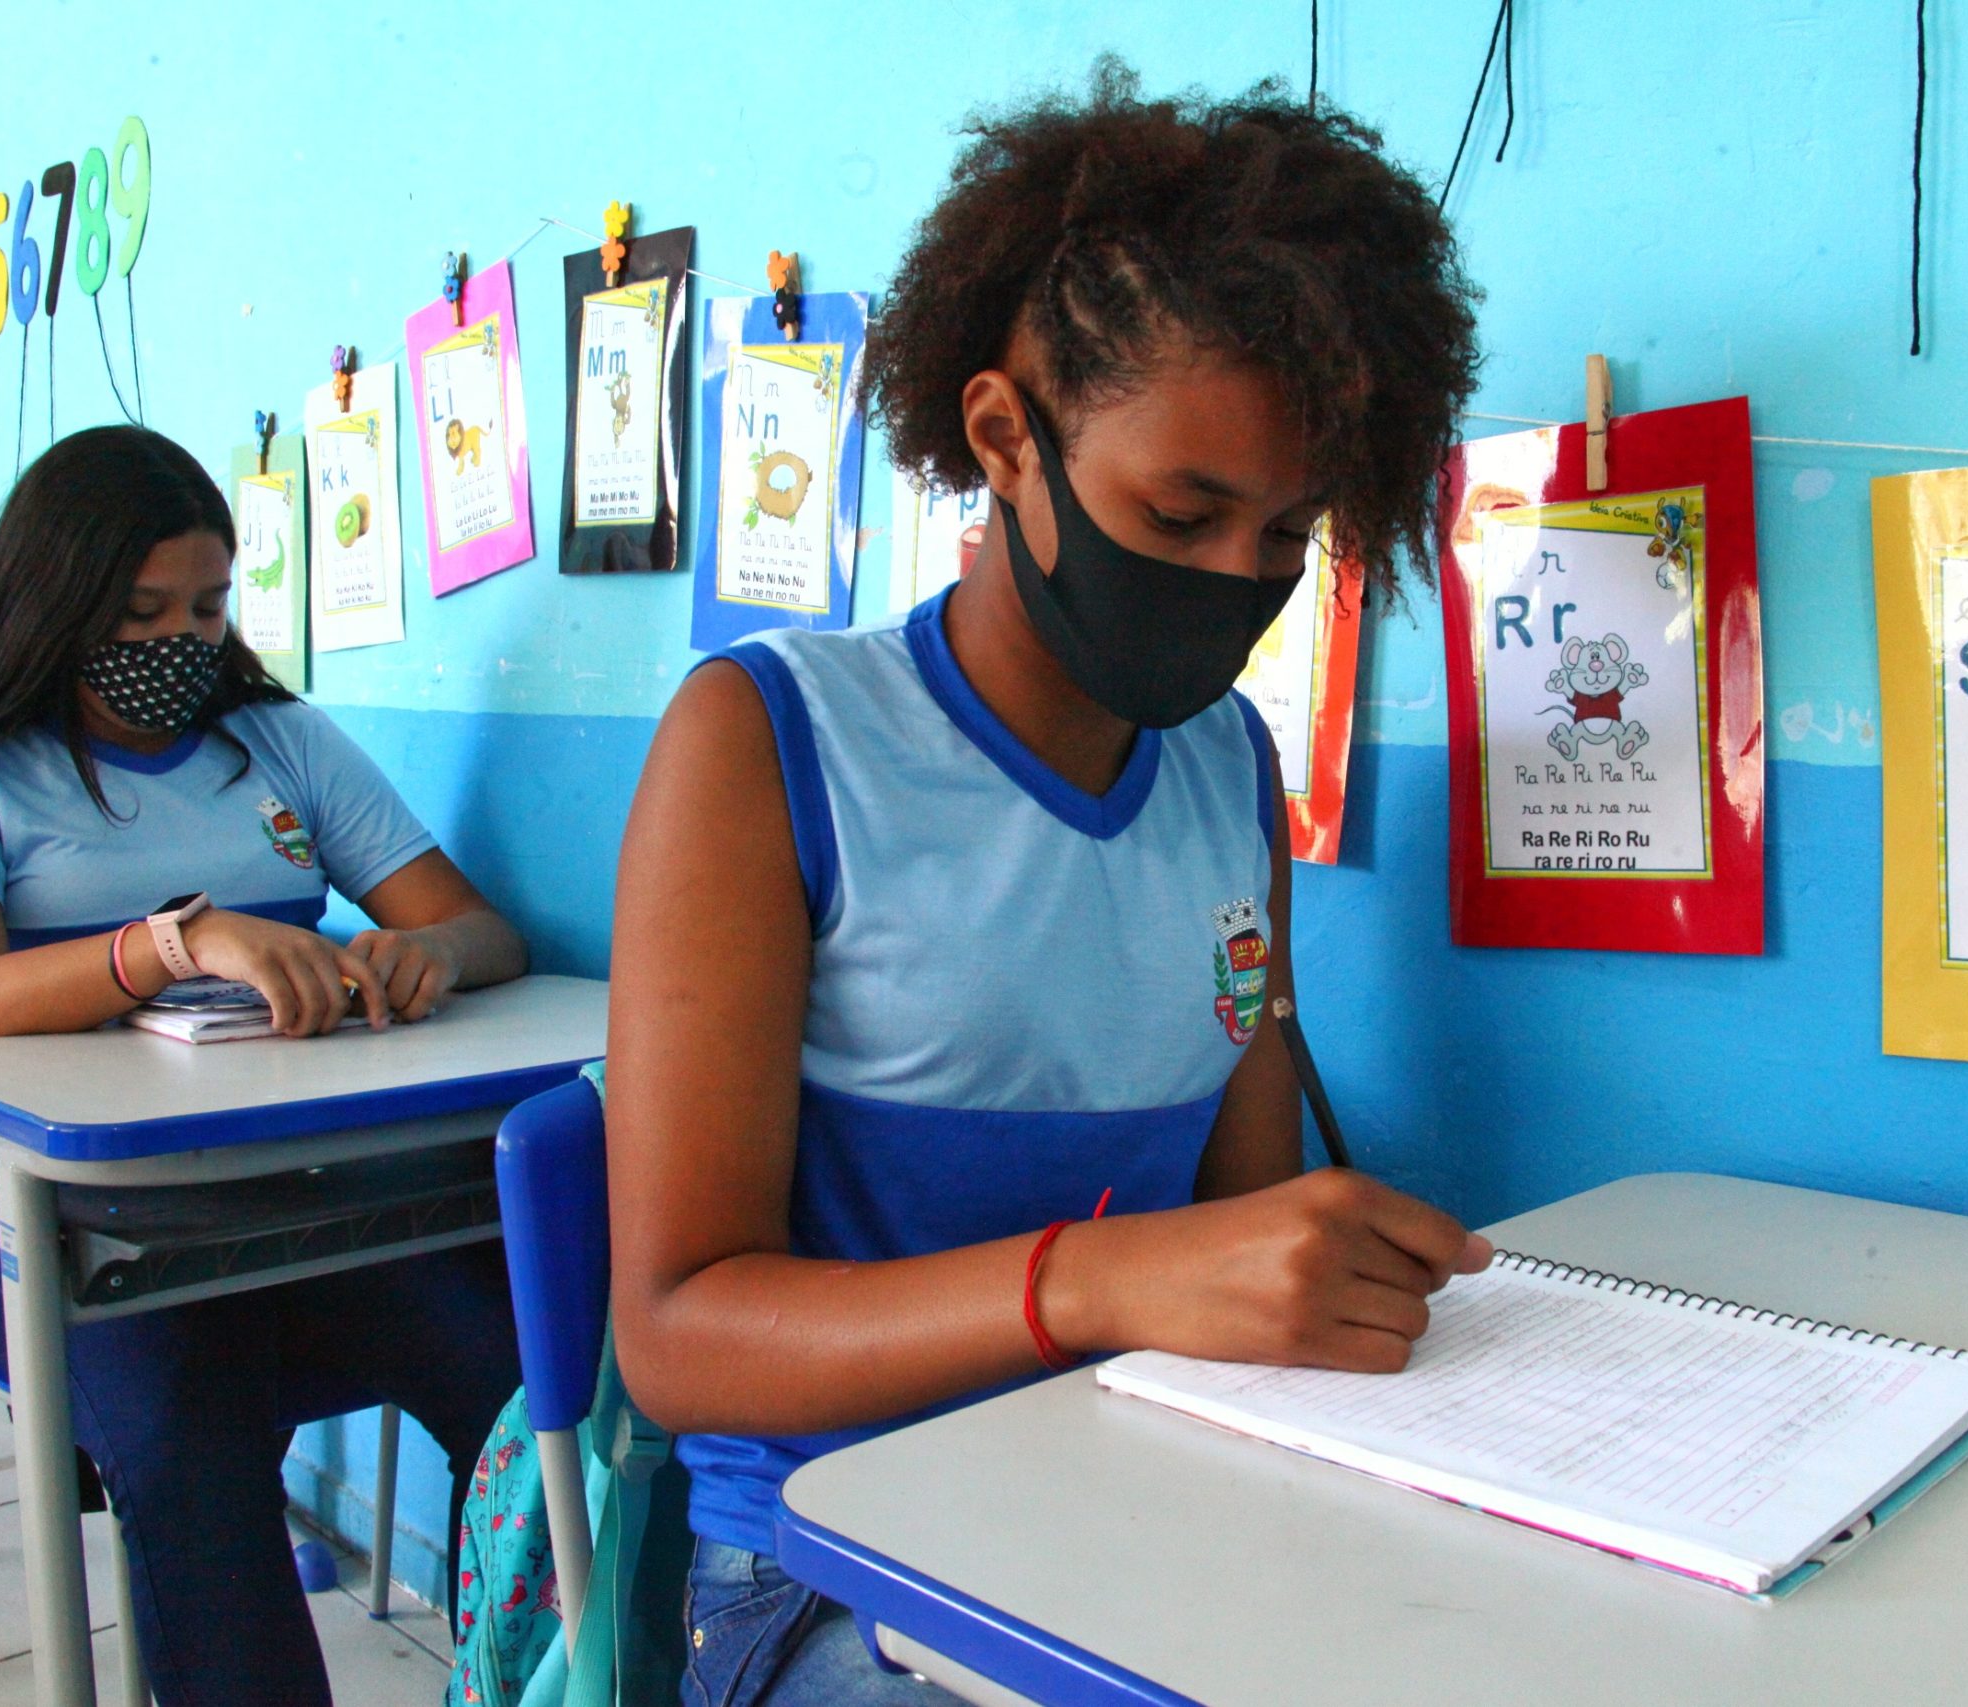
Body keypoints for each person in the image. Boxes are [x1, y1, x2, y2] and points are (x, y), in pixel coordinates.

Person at [608, 64, 1487, 1707]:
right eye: (1184, 508)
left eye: (1290, 534)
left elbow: (1235, 1223)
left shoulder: (1226, 763)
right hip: (828, 1567)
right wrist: (1092, 1280)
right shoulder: (770, 742)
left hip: (1141, 1505)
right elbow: (677, 1336)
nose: (1241, 582)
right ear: (1006, 436)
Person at [0, 425, 529, 1706]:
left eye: (211, 607)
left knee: (523, 1380)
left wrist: (426, 955)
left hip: (326, 1206)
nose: (183, 641)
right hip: (88, 1248)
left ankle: (508, 1677)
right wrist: (169, 944)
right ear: (53, 604)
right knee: (196, 1460)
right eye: (141, 611)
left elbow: (483, 925)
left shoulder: (279, 744)